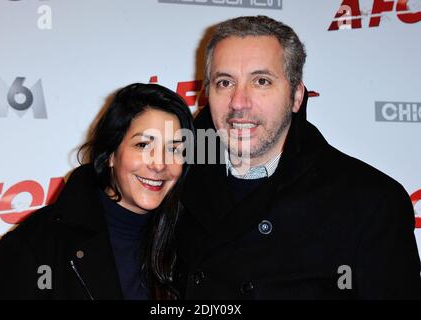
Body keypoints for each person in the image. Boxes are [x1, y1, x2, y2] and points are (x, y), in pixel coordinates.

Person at [175, 16, 421, 299]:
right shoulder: (172, 183)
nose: (239, 102)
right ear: (208, 92)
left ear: (296, 96)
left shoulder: (372, 202)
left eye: (261, 81)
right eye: (225, 82)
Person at [0, 83, 194, 300]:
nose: (159, 164)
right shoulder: (34, 246)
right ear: (111, 153)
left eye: (173, 149)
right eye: (142, 145)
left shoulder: (190, 246)